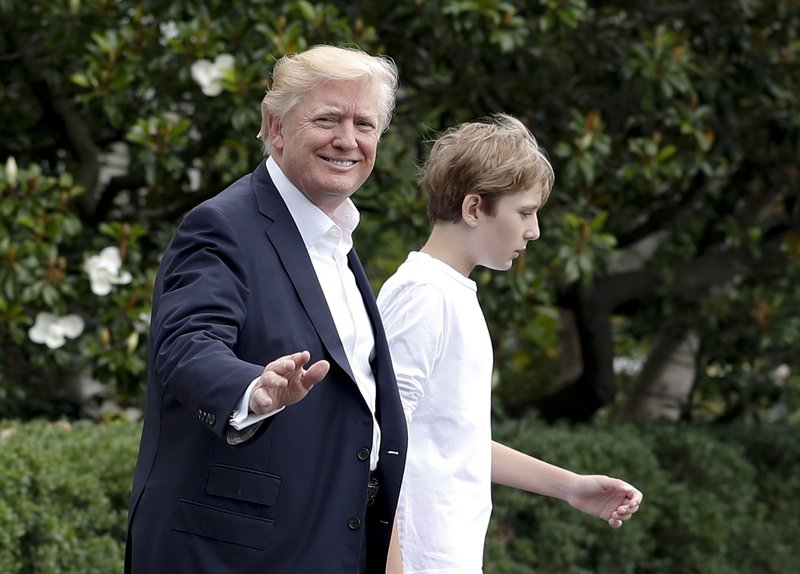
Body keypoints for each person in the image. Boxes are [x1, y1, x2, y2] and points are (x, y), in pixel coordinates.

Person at [125, 45, 408, 574]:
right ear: (275, 127)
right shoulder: (221, 226)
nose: (348, 140)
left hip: (330, 544)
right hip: (231, 554)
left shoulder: (335, 237)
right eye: (328, 119)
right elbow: (185, 344)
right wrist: (253, 389)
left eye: (365, 124)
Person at [377, 114, 643, 573]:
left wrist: (569, 487)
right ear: (474, 208)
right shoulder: (423, 296)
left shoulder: (450, 293)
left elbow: (455, 442)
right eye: (524, 212)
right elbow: (375, 443)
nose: (534, 231)